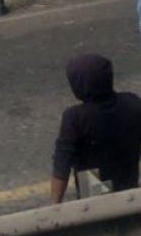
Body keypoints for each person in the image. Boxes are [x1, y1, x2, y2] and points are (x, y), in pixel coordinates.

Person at [52, 54, 141, 203]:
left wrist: (54, 205)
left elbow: (62, 165)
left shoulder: (75, 118)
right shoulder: (132, 102)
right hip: (129, 189)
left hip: (94, 194)